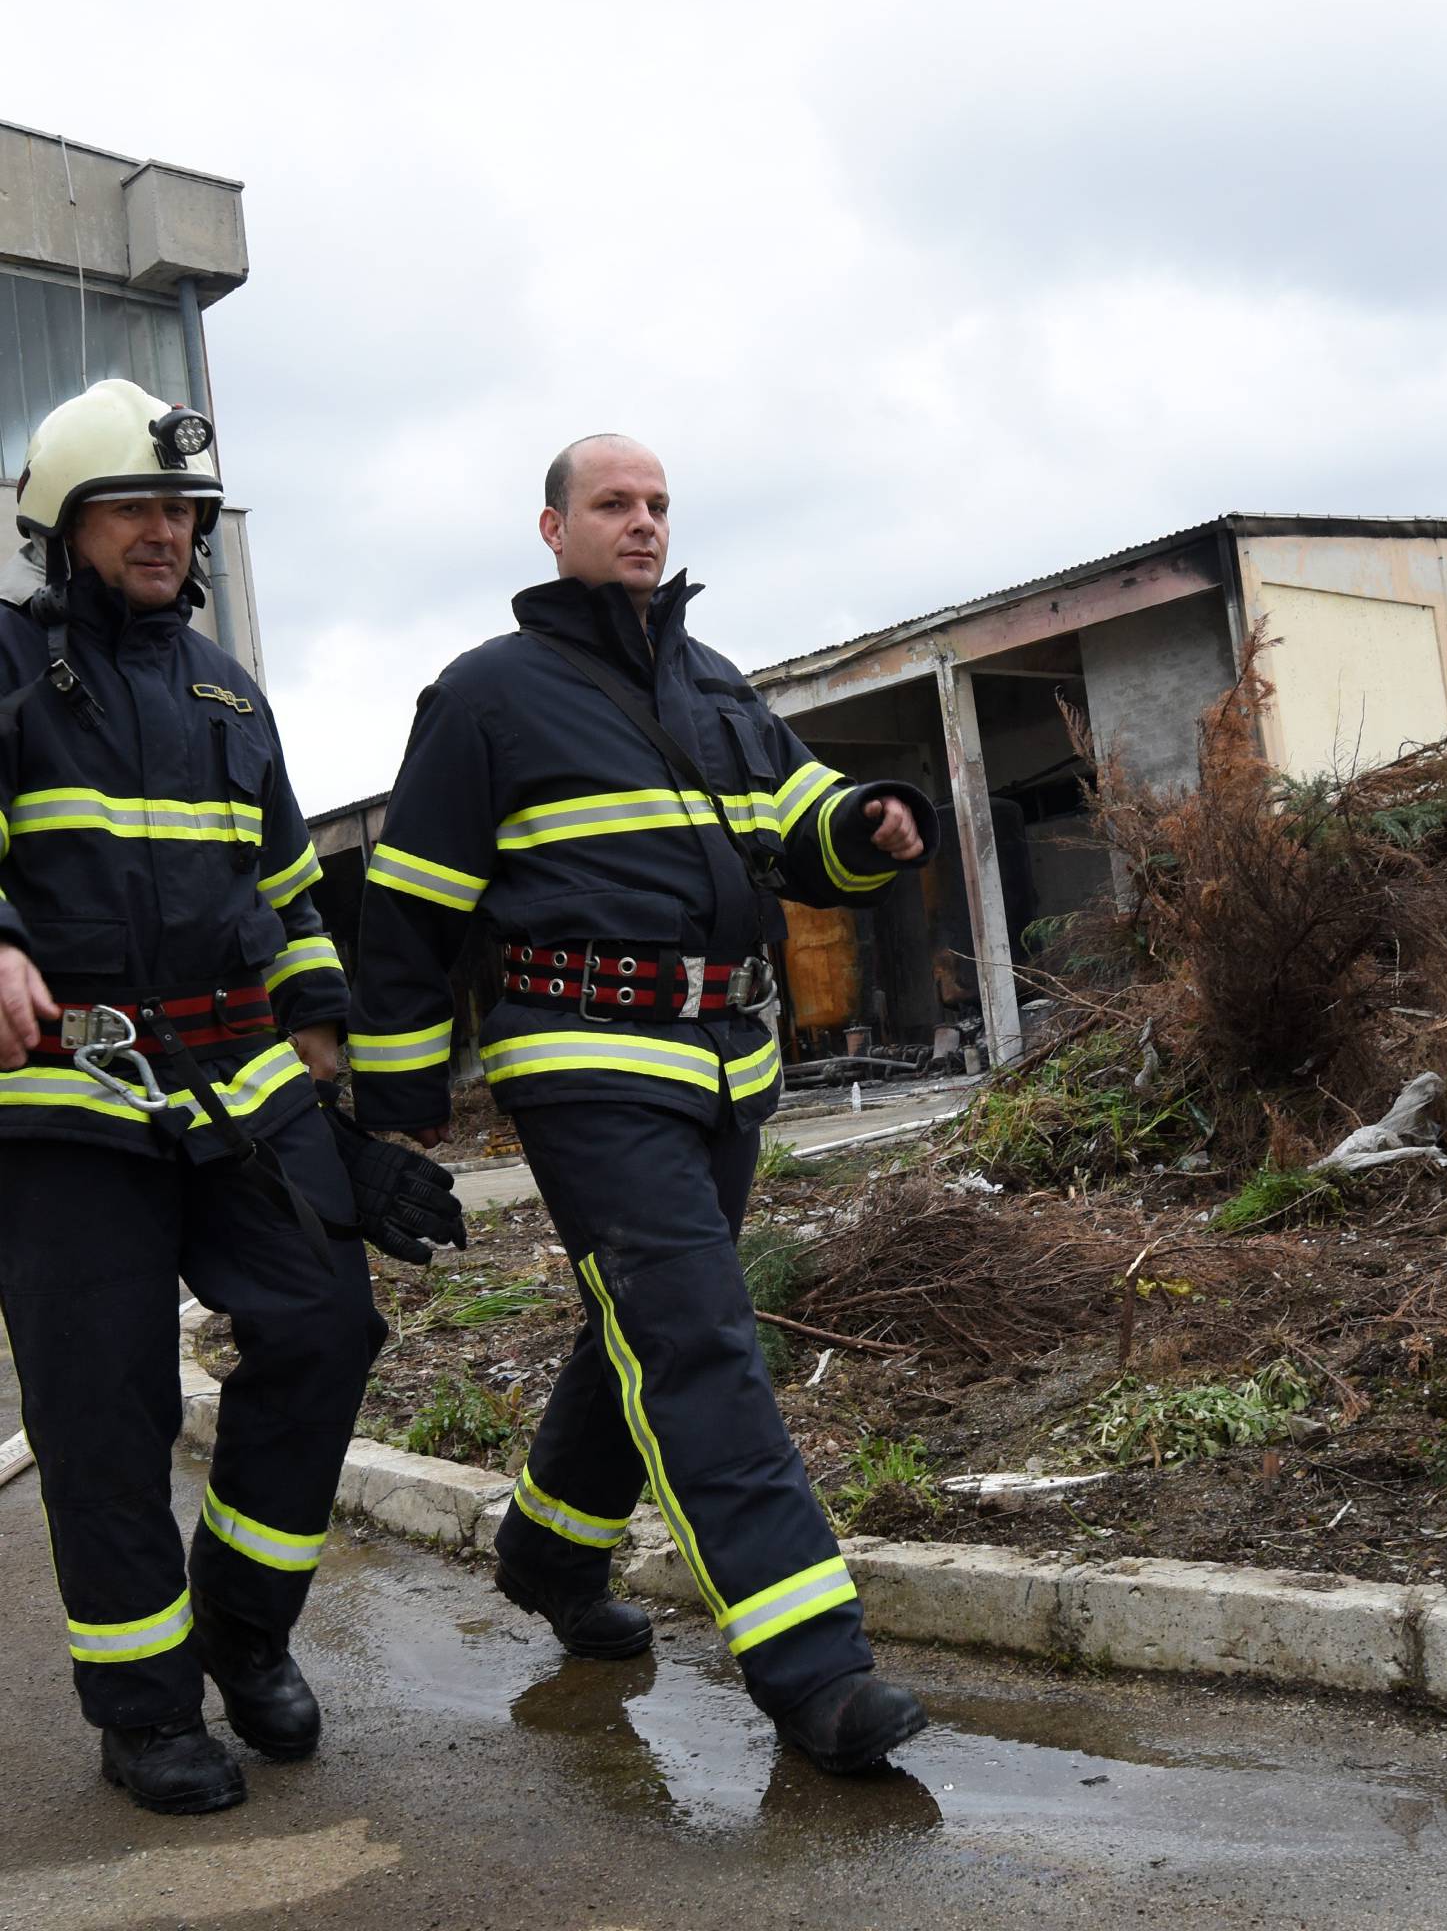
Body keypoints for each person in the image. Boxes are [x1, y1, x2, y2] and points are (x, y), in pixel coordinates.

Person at [348, 433, 939, 1773]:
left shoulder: (711, 681)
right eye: (614, 502)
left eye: (659, 503)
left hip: (724, 1060)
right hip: (581, 1064)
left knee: (650, 1318)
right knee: (698, 1338)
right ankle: (814, 1671)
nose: (644, 522)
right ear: (551, 529)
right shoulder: (485, 697)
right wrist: (390, 1111)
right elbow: (408, 910)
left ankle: (551, 1554)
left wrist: (874, 821)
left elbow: (802, 816)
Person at [0, 381, 455, 1817]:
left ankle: (242, 1631)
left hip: (237, 1082)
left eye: (182, 510)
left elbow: (280, 886)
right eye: (134, 507)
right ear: (63, 526)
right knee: (106, 1404)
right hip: (65, 1094)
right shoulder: (3, 665)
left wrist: (326, 1036)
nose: (166, 531)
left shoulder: (226, 687)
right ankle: (144, 1712)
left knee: (327, 1323)